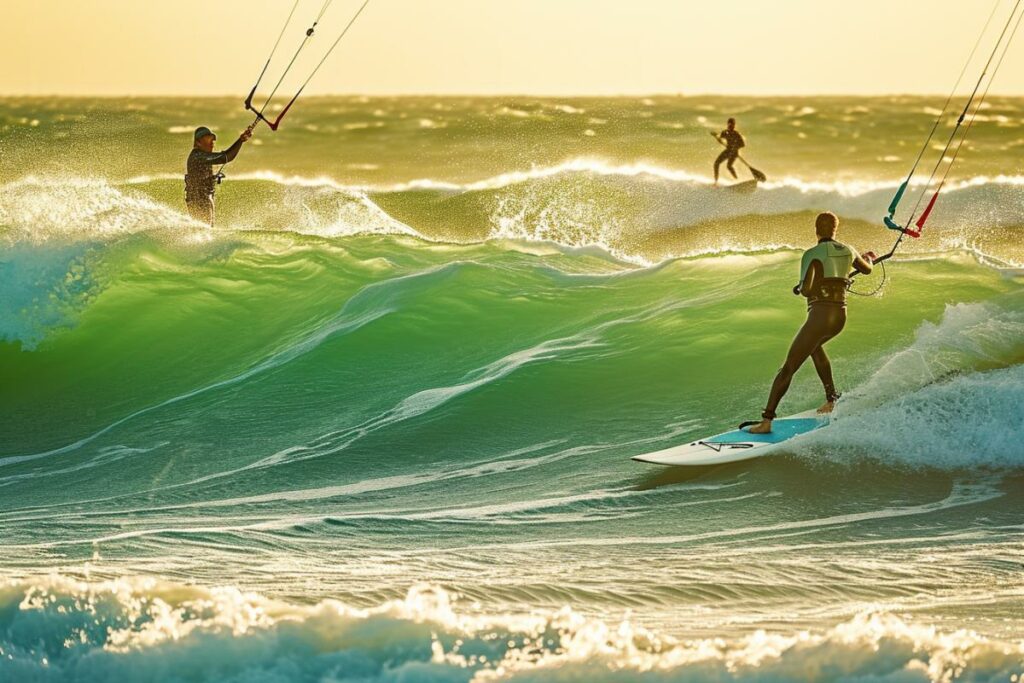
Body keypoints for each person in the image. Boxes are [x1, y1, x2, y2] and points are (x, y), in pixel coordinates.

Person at [747, 212, 876, 434]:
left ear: (816, 230)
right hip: (839, 317)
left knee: (788, 368)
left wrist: (799, 288)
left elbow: (807, 289)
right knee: (815, 348)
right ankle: (832, 399)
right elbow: (867, 269)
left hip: (819, 317)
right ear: (836, 229)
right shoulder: (849, 250)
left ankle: (766, 422)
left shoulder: (811, 254)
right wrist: (869, 258)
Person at [184, 125, 253, 226]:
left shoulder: (203, 155)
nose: (212, 143)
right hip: (198, 199)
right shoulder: (197, 156)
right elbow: (226, 157)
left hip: (204, 197)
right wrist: (241, 140)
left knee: (207, 228)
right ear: (198, 142)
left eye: (213, 140)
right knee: (204, 229)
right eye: (208, 140)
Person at [712, 118, 744, 185]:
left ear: (734, 125)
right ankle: (716, 182)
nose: (730, 126)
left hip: (734, 152)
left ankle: (737, 180)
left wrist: (734, 148)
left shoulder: (736, 134)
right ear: (727, 124)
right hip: (728, 151)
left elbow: (742, 144)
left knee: (729, 166)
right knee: (716, 164)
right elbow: (720, 139)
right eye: (729, 124)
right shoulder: (725, 132)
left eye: (732, 124)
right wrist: (716, 137)